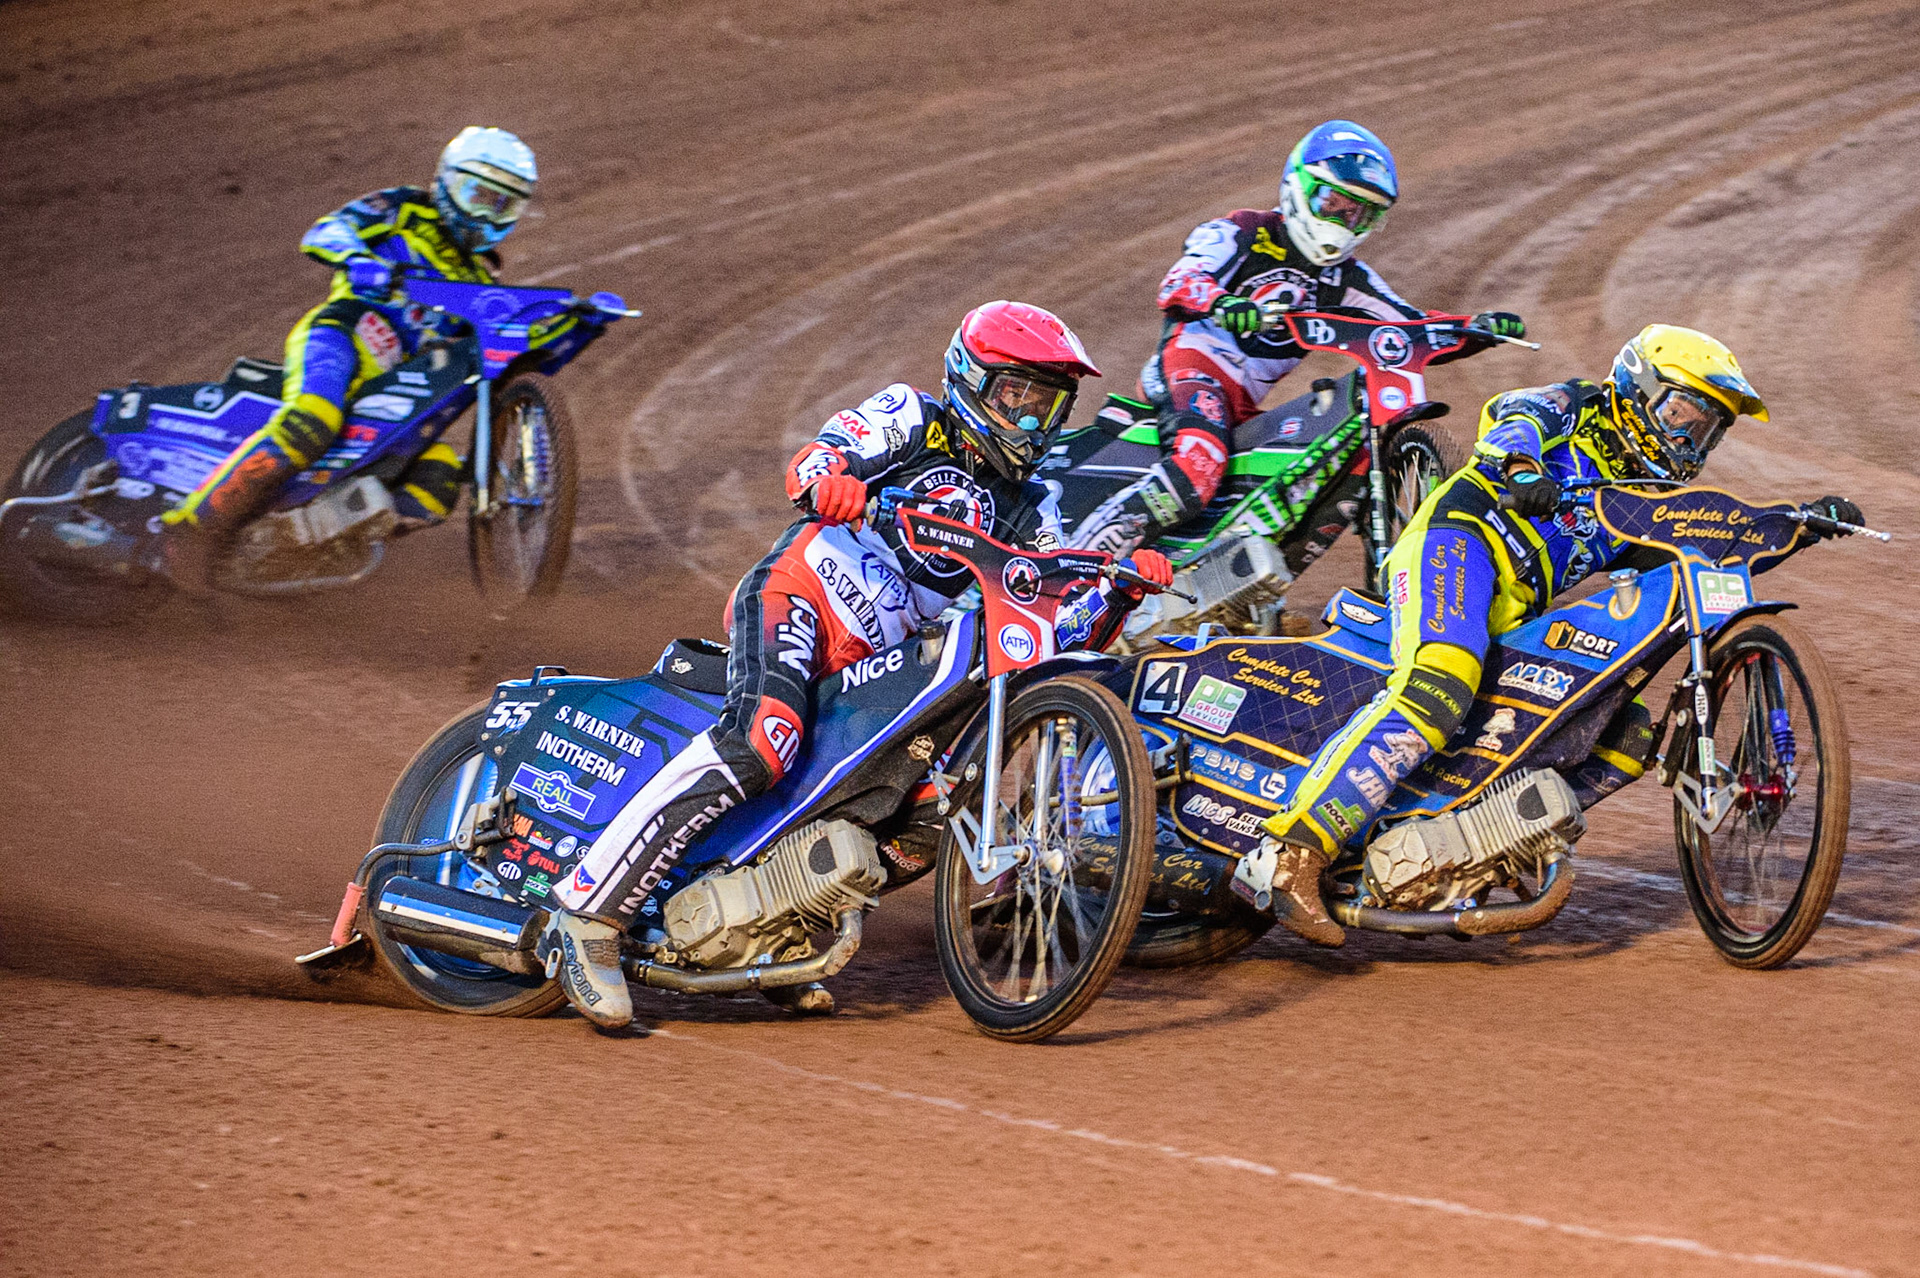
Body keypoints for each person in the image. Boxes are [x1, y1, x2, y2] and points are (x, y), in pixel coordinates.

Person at [535, 302, 1175, 1028]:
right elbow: (817, 459)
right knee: (763, 741)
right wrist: (831, 482)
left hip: (881, 657)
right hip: (803, 593)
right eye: (1016, 396)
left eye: (1047, 405)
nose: (1031, 419)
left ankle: (768, 926)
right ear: (972, 380)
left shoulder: (1033, 503)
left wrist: (1118, 592)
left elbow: (1051, 621)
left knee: (922, 814)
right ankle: (588, 915)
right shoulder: (913, 417)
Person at [1251, 323, 1864, 947]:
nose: (1688, 437)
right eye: (1682, 412)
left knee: (1621, 732)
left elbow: (1700, 550)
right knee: (1441, 684)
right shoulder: (1577, 405)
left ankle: (1470, 845)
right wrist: (1522, 469)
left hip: (1513, 610)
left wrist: (1796, 525)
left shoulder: (1641, 496)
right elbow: (1513, 416)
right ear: (1638, 387)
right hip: (1456, 544)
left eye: (1707, 428)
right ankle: (1295, 853)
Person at [1072, 119, 1526, 560]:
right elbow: (1179, 281)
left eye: (1360, 213)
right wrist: (1223, 303)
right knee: (1200, 462)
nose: (1344, 221)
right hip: (1190, 370)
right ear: (1299, 187)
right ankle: (1085, 556)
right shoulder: (1242, 232)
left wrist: (1475, 329)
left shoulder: (1347, 279)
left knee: (1292, 486)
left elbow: (1408, 328)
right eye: (1335, 203)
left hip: (1244, 406)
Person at [159, 126, 539, 587]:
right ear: (448, 181)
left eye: (501, 204)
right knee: (312, 421)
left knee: (438, 476)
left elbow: (495, 346)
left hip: (394, 390)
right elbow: (327, 231)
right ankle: (189, 530)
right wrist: (358, 258)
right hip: (343, 334)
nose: (484, 214)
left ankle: (304, 545)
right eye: (477, 195)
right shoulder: (404, 208)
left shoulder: (480, 280)